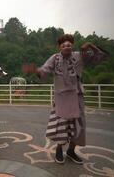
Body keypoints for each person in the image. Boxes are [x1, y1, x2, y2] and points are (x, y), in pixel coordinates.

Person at [22, 34, 108, 164]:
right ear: (59, 47)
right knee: (62, 125)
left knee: (78, 126)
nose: (66, 46)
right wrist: (35, 70)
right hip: (61, 98)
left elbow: (100, 57)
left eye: (69, 44)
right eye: (63, 45)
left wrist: (90, 45)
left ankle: (71, 151)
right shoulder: (55, 58)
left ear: (72, 46)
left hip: (77, 96)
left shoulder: (79, 55)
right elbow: (44, 70)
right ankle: (59, 149)